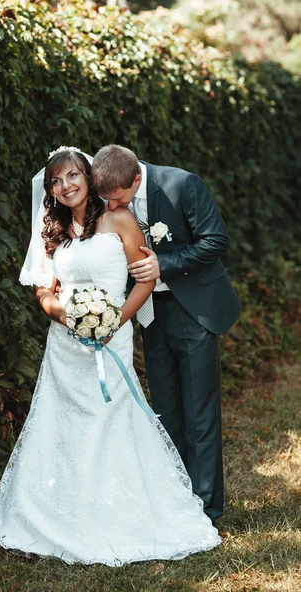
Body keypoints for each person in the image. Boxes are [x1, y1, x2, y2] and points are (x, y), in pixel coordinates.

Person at [0, 147, 221, 565]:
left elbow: (145, 279)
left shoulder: (119, 220)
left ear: (89, 178)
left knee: (112, 419)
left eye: (73, 176)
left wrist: (114, 321)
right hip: (66, 345)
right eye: (57, 181)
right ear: (50, 188)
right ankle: (57, 513)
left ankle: (121, 510)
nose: (66, 185)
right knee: (60, 421)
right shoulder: (52, 229)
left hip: (114, 336)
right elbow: (43, 290)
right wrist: (66, 317)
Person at [92, 144, 242, 526]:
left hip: (194, 310)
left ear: (137, 179)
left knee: (199, 412)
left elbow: (215, 241)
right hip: (150, 315)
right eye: (105, 200)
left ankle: (206, 509)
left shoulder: (182, 185)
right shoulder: (111, 199)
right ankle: (174, 500)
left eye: (119, 199)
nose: (111, 208)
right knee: (163, 411)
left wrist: (165, 264)